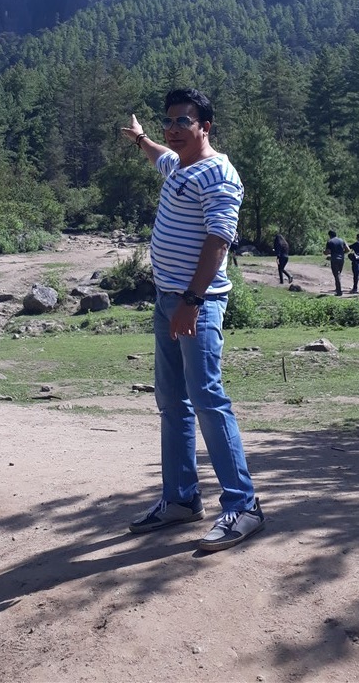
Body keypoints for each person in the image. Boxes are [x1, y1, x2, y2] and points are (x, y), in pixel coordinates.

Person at [121, 88, 264, 553]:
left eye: (184, 121)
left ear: (206, 126)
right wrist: (142, 140)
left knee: (207, 398)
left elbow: (219, 240)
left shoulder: (220, 174)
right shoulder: (180, 165)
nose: (174, 128)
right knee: (172, 401)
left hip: (194, 304)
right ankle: (181, 499)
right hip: (168, 300)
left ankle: (243, 506)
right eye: (170, 122)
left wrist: (192, 299)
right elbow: (160, 156)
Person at [324, 230, 350, 295]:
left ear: (330, 235)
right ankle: (338, 289)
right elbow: (348, 249)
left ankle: (339, 291)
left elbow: (327, 252)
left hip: (334, 259)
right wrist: (342, 253)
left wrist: (324, 252)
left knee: (336, 275)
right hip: (341, 259)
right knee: (338, 273)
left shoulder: (330, 242)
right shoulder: (342, 240)